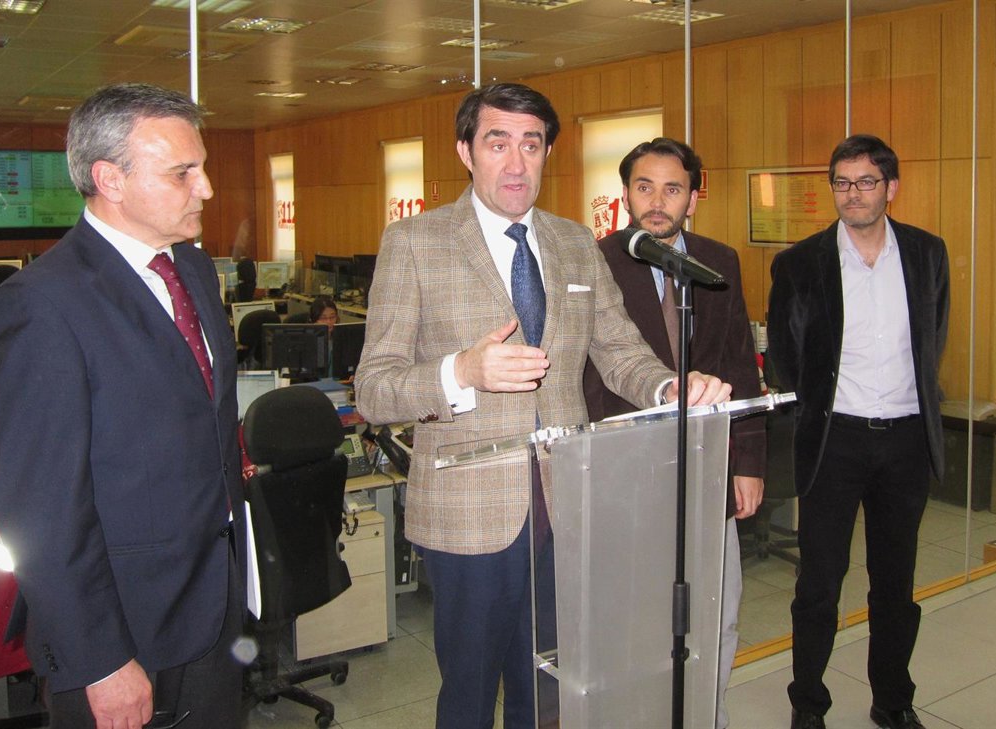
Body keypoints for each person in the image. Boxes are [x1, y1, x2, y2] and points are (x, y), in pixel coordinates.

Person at [354, 83, 731, 729]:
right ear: (466, 152)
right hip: (468, 513)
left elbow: (620, 351)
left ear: (547, 153)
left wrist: (671, 388)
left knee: (552, 693)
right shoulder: (415, 241)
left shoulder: (575, 242)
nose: (516, 162)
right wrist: (461, 372)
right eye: (497, 142)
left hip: (566, 508)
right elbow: (374, 388)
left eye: (531, 145)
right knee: (469, 695)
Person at [0, 83, 247, 729]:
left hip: (215, 601)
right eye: (183, 172)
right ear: (110, 180)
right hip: (124, 627)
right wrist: (99, 660)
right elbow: (40, 508)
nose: (206, 188)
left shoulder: (193, 270)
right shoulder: (41, 304)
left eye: (202, 167)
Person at [767, 134, 949, 729]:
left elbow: (933, 338)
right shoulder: (799, 263)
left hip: (905, 440)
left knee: (895, 584)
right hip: (835, 442)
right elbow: (786, 359)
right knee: (819, 584)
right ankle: (808, 705)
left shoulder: (926, 253)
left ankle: (892, 700)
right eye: (842, 183)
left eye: (866, 182)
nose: (853, 194)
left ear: (891, 188)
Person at [581, 137, 764, 729]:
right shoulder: (595, 261)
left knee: (718, 612)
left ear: (693, 197)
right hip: (625, 469)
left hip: (708, 464)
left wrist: (748, 461)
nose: (657, 202)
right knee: (636, 621)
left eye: (672, 189)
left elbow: (739, 362)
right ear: (625, 194)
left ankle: (708, 716)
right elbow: (584, 374)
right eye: (644, 187)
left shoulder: (718, 261)